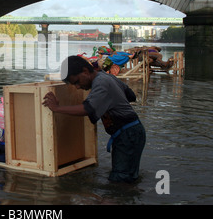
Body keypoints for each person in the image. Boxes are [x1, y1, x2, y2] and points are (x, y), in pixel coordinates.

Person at [42, 55, 146, 183]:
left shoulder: (101, 82)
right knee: (126, 177)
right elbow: (131, 96)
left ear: (85, 71)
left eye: (77, 82)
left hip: (128, 134)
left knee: (120, 181)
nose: (77, 87)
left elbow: (87, 109)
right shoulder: (107, 77)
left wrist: (57, 108)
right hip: (130, 133)